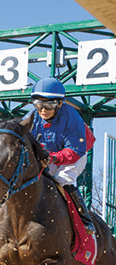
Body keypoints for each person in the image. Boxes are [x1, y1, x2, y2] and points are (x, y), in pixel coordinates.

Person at [25, 77, 96, 234]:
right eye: (38, 104)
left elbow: (75, 151)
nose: (43, 110)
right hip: (49, 153)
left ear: (60, 103)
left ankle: (85, 219)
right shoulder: (31, 117)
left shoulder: (72, 118)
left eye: (49, 105)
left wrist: (54, 158)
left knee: (62, 180)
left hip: (76, 152)